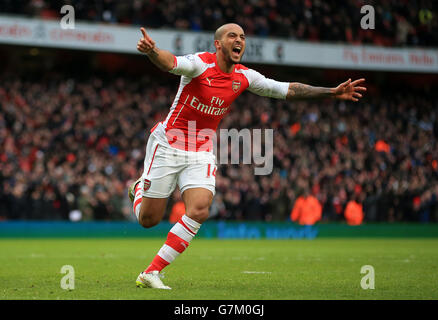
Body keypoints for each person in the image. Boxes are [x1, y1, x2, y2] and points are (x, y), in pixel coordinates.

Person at [129, 23, 366, 289]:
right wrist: (152, 51)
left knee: (200, 209)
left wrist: (330, 92)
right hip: (169, 144)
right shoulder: (199, 64)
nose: (239, 40)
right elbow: (169, 62)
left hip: (202, 149)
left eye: (242, 36)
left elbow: (285, 89)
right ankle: (140, 188)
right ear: (218, 44)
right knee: (148, 220)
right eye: (232, 36)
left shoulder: (245, 76)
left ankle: (151, 272)